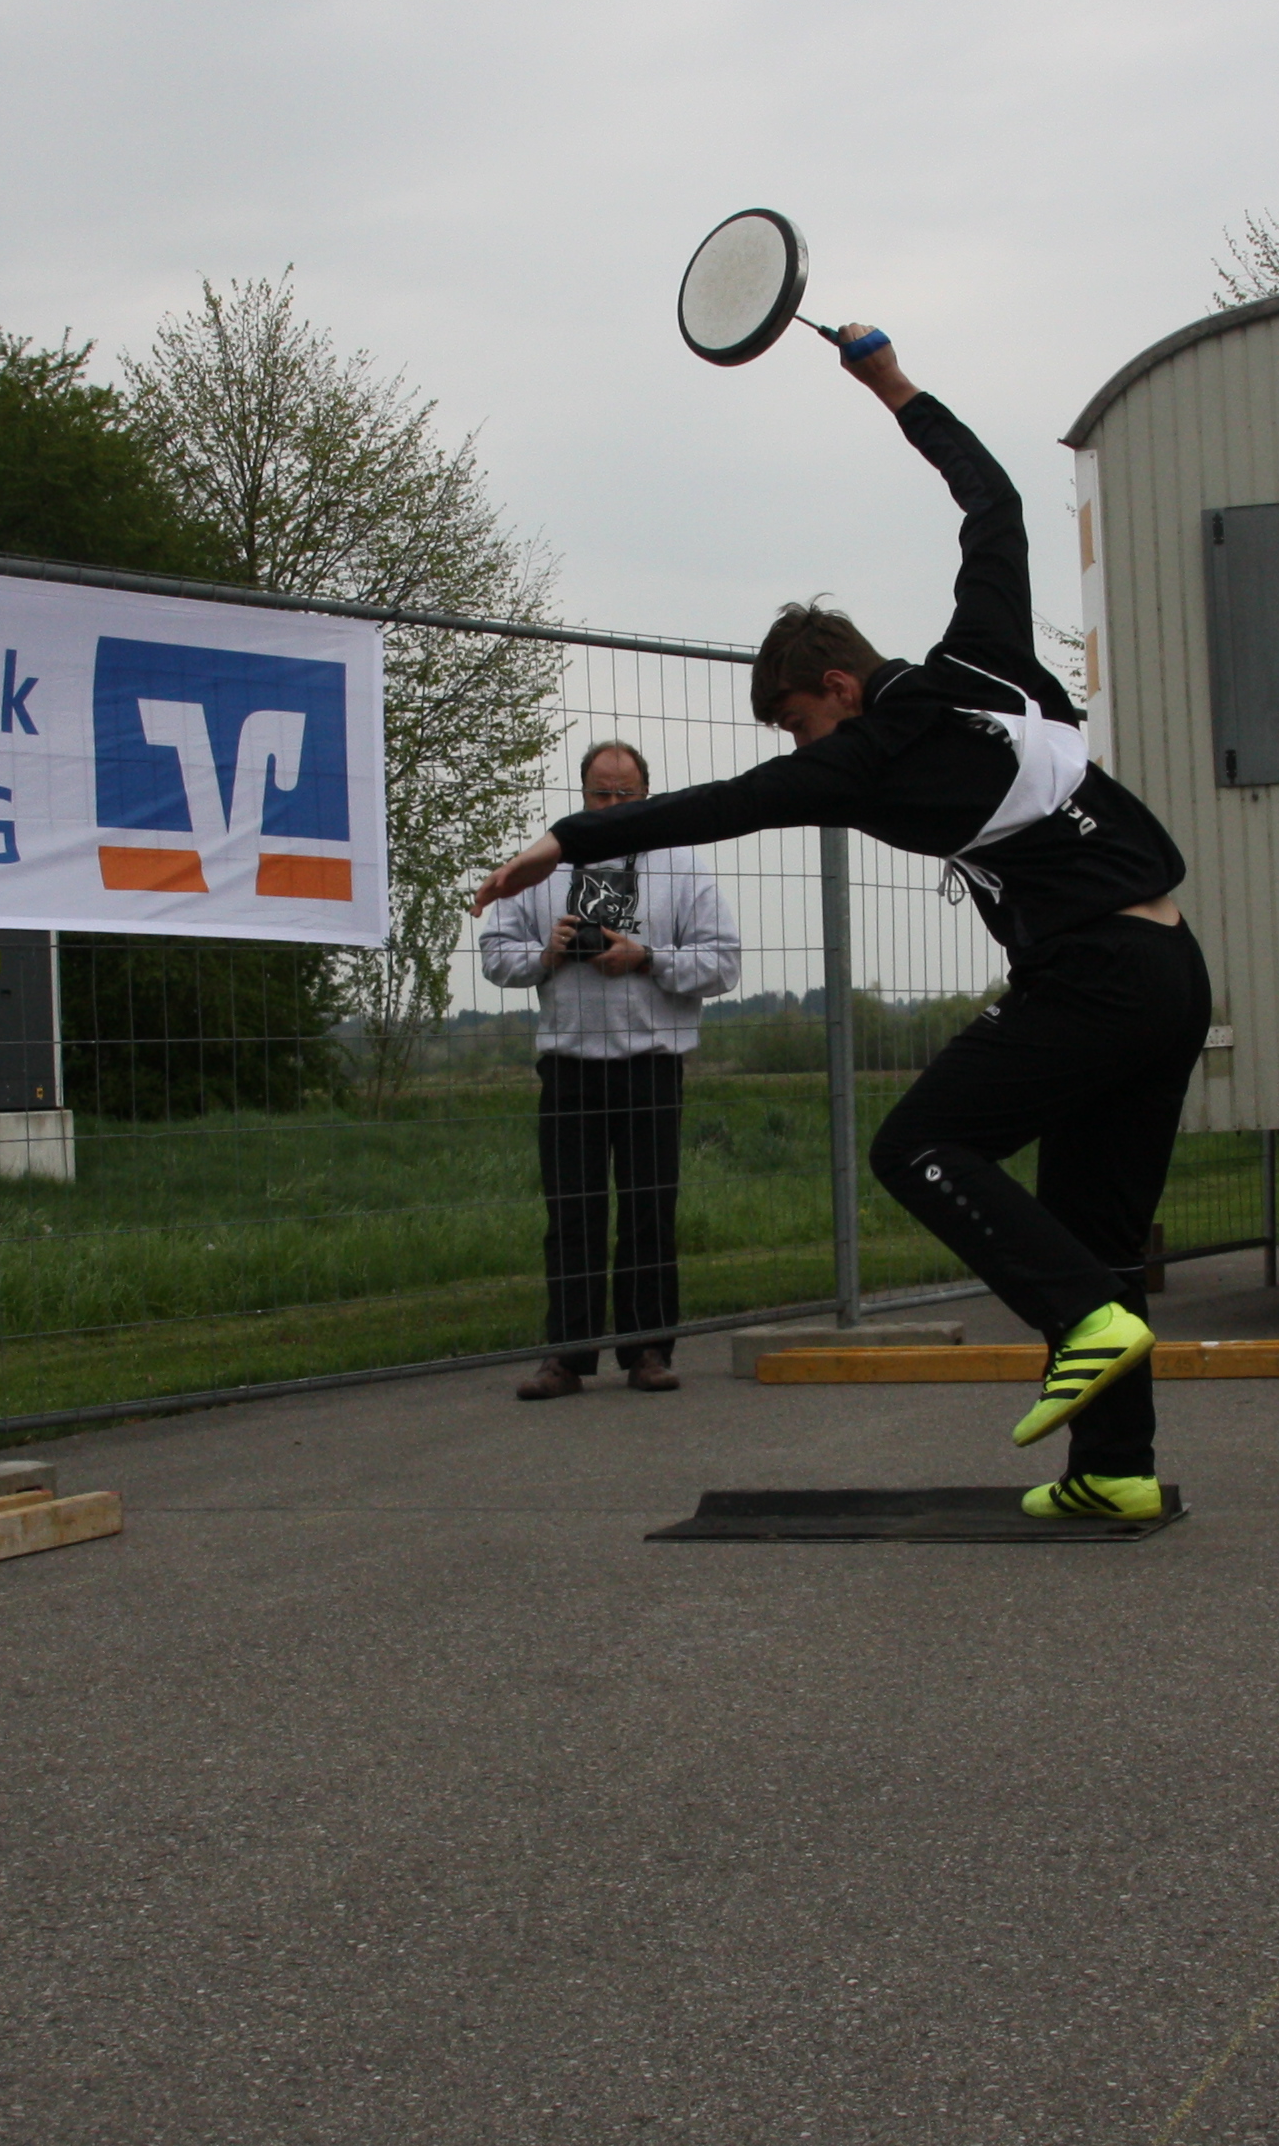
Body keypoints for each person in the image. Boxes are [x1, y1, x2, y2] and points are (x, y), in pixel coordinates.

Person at [472, 323, 1206, 1520]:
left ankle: (1082, 1321)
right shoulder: (991, 658)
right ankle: (1113, 1472)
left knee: (917, 1146)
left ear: (838, 689)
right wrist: (894, 385)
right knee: (1094, 1225)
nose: (803, 750)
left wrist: (564, 840)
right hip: (1174, 970)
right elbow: (994, 504)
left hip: (1094, 978)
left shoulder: (864, 754)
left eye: (800, 725)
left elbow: (724, 804)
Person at [478, 742, 741, 1399]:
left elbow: (724, 963)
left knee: (649, 1212)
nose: (613, 805)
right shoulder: (545, 863)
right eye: (602, 793)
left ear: (647, 796)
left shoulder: (681, 864)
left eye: (626, 795)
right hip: (568, 1064)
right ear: (582, 793)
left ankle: (648, 1350)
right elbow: (495, 954)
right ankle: (566, 1357)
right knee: (572, 1215)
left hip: (652, 1062)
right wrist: (547, 954)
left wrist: (646, 957)